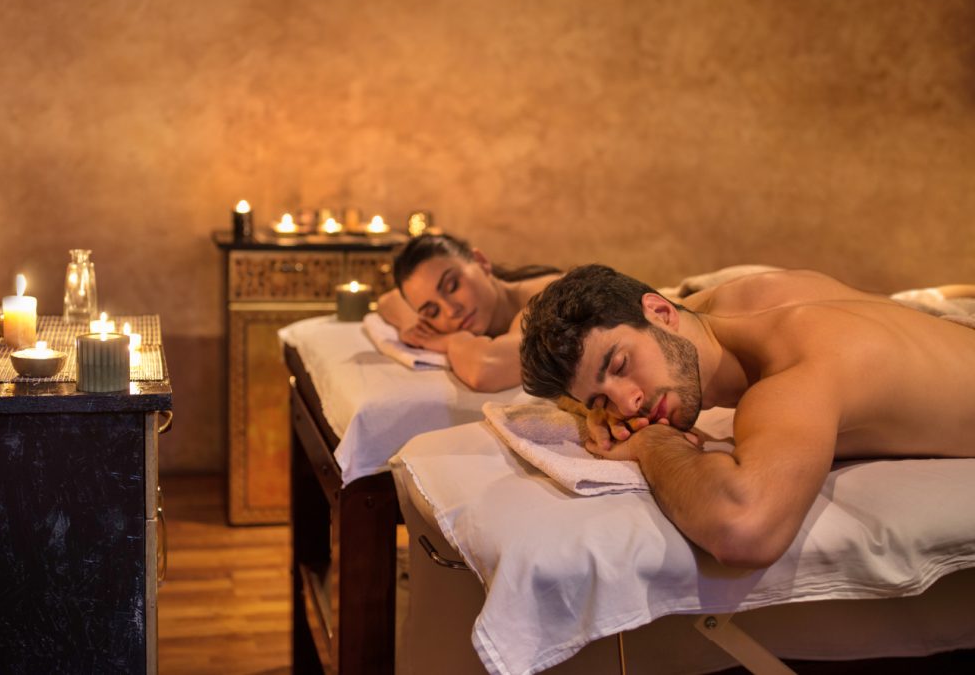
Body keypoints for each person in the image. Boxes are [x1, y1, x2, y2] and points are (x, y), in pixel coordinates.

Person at [520, 265, 975, 568]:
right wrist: (589, 404)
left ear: (660, 313)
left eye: (620, 366)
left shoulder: (791, 375)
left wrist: (649, 443)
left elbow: (743, 530)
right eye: (601, 400)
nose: (627, 404)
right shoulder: (739, 300)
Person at [377, 233, 560, 392]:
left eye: (452, 286)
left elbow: (485, 370)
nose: (450, 311)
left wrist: (444, 340)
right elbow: (389, 300)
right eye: (432, 312)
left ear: (480, 261)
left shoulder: (547, 299)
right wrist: (412, 327)